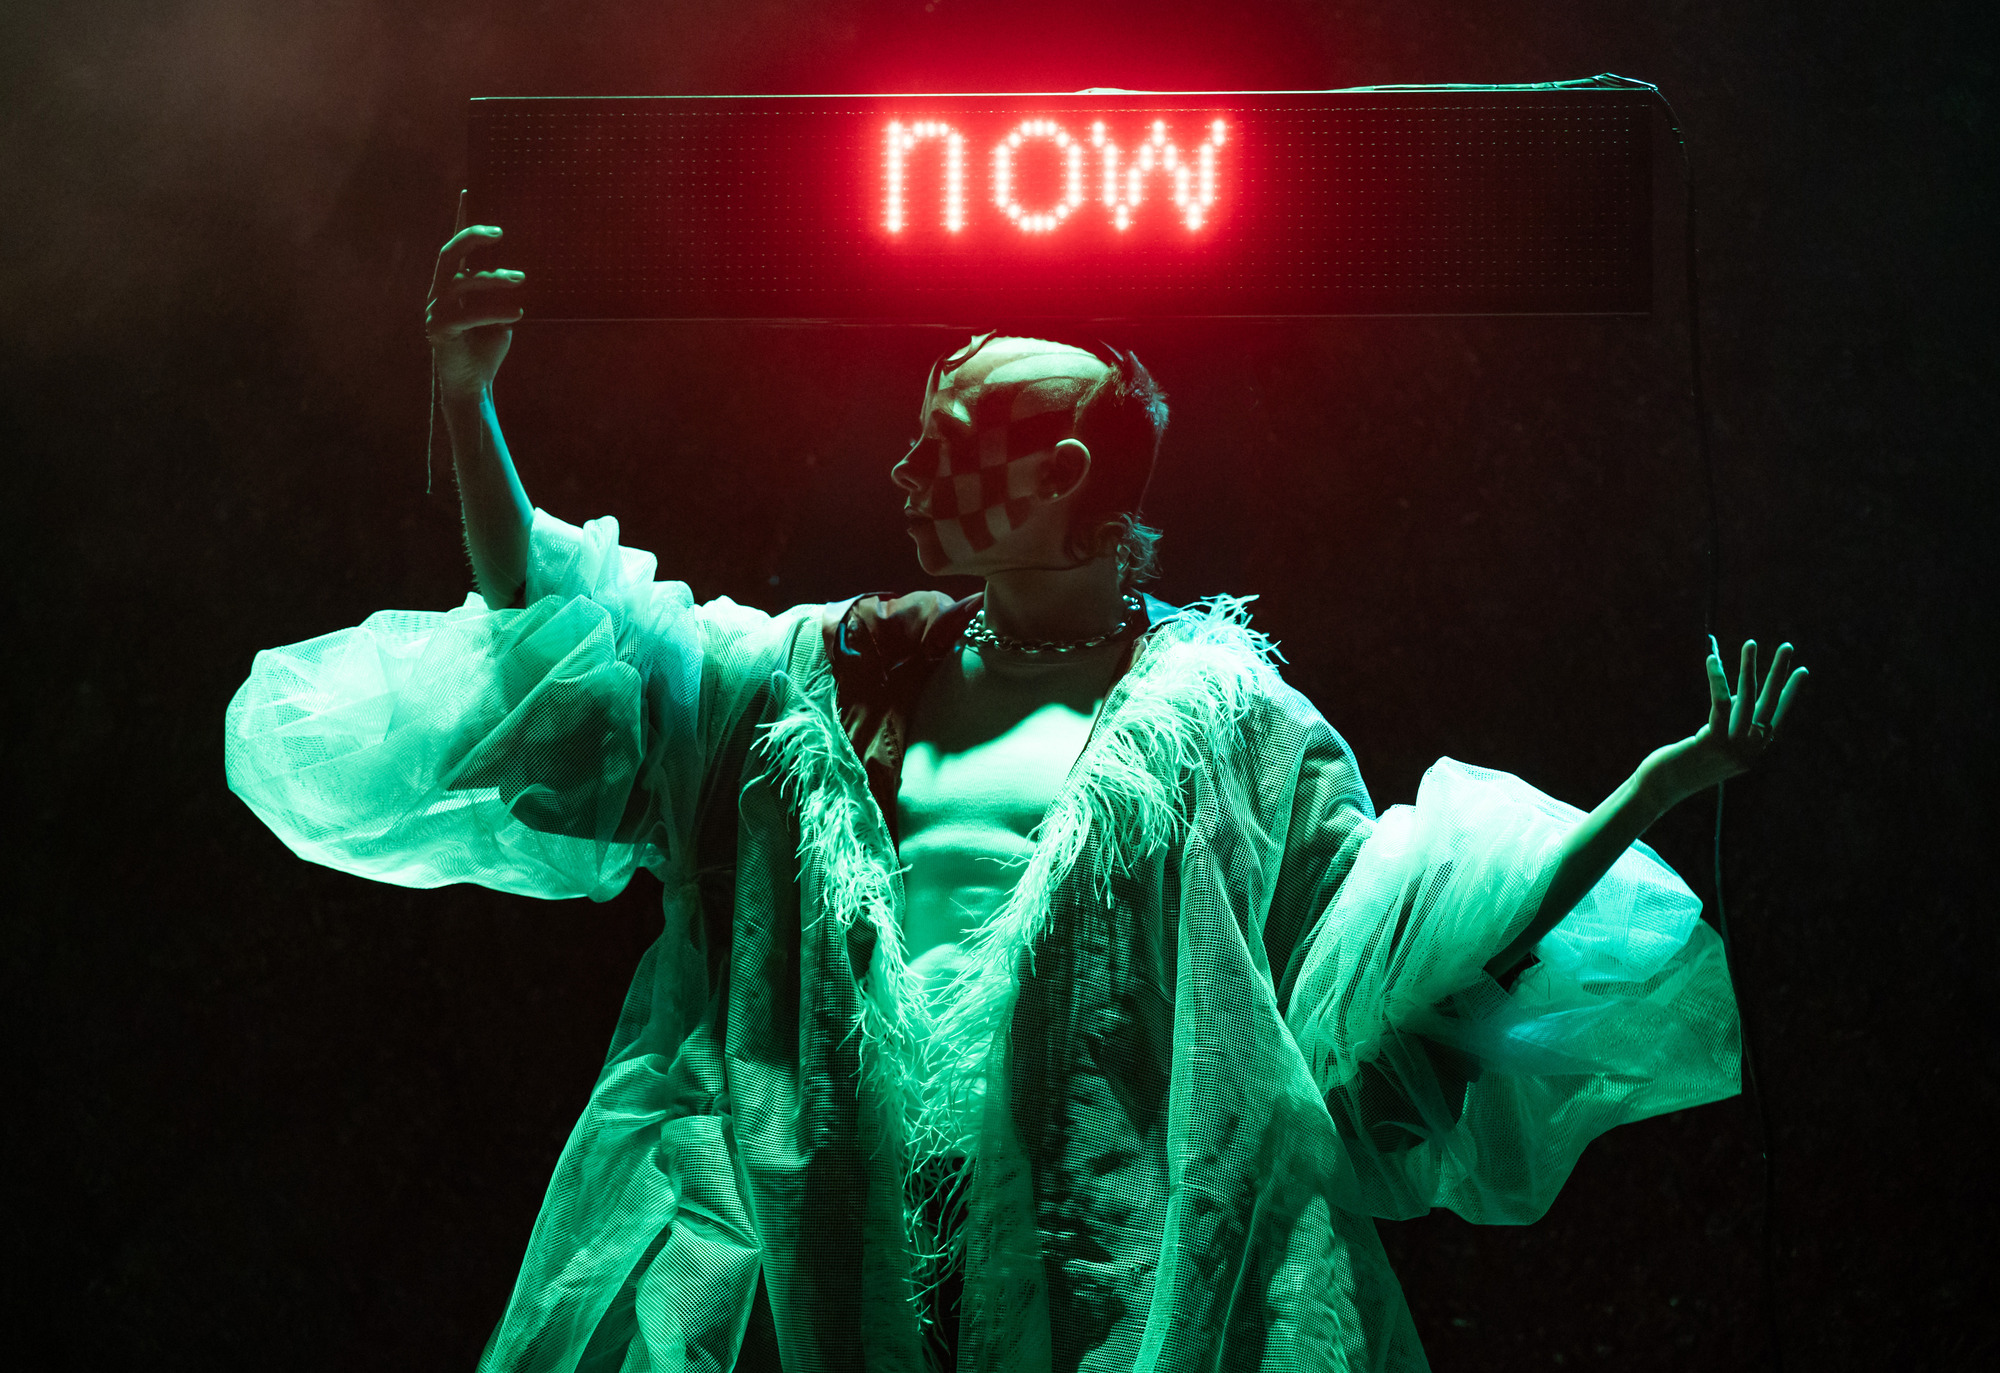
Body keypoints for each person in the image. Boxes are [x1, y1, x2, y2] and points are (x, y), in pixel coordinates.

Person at [225, 203, 1807, 1373]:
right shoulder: (825, 669)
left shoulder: (1221, 723)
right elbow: (573, 650)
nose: (910, 477)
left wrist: (1644, 796)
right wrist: (467, 405)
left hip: (1089, 1255)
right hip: (814, 1220)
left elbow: (1384, 947)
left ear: (1060, 484)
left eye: (950, 444)